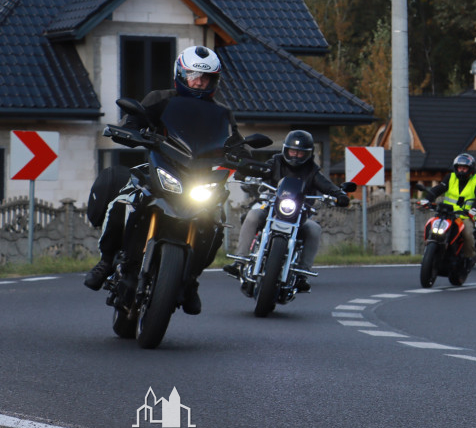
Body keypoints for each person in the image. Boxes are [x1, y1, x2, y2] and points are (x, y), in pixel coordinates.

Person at [84, 45, 237, 315]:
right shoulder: (160, 98)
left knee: (215, 223)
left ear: (215, 81)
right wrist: (128, 130)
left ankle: (190, 281)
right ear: (181, 74)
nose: (199, 82)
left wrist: (244, 155)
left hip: (200, 178)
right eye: (193, 76)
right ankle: (106, 261)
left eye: (206, 78)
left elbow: (233, 142)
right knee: (124, 200)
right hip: (162, 167)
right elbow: (134, 119)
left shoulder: (222, 113)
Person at [222, 130, 350, 292]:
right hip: (271, 208)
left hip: (299, 213)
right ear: (285, 150)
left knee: (314, 229)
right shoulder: (276, 162)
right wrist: (246, 171)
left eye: (301, 153)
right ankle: (239, 261)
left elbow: (327, 185)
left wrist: (339, 195)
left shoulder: (312, 170)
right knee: (253, 215)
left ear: (308, 154)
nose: (296, 156)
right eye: (293, 151)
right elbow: (262, 170)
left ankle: (302, 273)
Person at [418, 153, 476, 262]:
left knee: (468, 233)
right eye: (459, 168)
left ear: (470, 169)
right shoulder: (450, 177)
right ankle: (428, 250)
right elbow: (439, 188)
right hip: (446, 213)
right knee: (431, 225)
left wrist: (474, 209)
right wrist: (428, 199)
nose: (461, 170)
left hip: (464, 216)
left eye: (464, 168)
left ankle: (469, 258)